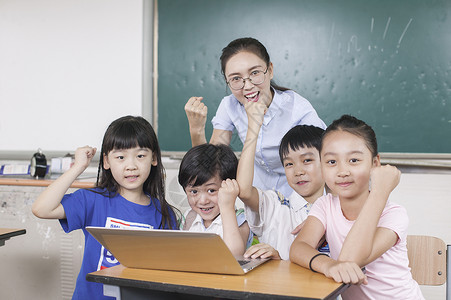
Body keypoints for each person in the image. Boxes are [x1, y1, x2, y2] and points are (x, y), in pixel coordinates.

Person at [32, 116, 179, 300]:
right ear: (106, 162)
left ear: (154, 158)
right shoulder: (93, 200)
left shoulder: (164, 214)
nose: (131, 166)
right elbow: (42, 209)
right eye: (120, 157)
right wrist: (78, 166)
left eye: (140, 156)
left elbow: (168, 275)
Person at [289, 115, 424, 299]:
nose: (342, 171)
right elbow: (299, 248)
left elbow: (349, 260)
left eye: (354, 160)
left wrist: (379, 192)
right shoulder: (325, 205)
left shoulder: (393, 214)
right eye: (331, 162)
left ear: (375, 163)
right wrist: (328, 265)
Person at [185, 37, 326, 197]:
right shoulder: (229, 105)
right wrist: (196, 129)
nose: (248, 85)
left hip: (299, 194)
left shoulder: (296, 108)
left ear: (270, 70)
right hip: (257, 195)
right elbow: (211, 167)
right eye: (236, 79)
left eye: (255, 73)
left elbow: (325, 159)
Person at [236, 100, 326, 260]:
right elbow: (244, 190)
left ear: (327, 161)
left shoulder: (341, 210)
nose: (298, 171)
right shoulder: (276, 205)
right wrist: (253, 129)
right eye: (289, 164)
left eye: (307, 161)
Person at [178, 143, 253, 255]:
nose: (203, 201)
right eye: (194, 192)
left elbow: (234, 255)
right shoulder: (188, 218)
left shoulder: (240, 219)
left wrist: (227, 207)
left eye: (211, 190)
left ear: (229, 186)